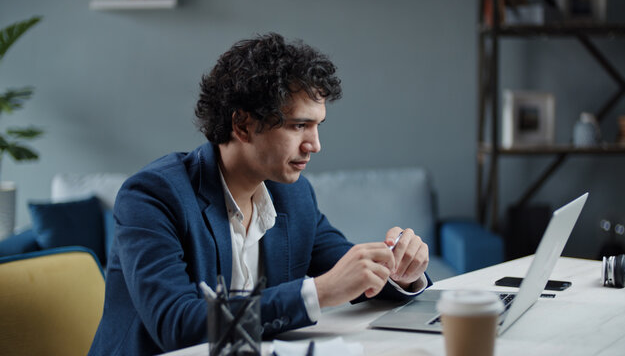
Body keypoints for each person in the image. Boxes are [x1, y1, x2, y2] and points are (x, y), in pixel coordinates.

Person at [88, 33, 431, 355]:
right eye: (299, 126)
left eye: (317, 126)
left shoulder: (293, 197)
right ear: (242, 125)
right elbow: (176, 323)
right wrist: (319, 292)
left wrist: (404, 270)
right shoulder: (153, 196)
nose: (315, 145)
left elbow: (353, 273)